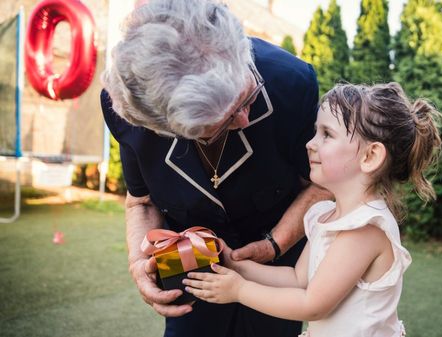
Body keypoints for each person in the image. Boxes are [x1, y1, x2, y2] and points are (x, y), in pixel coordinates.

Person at [100, 1, 331, 336]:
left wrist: (273, 245)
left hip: (277, 274)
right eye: (220, 123)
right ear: (164, 126)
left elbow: (320, 184)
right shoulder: (127, 109)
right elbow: (142, 201)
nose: (245, 119)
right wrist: (139, 264)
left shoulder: (291, 82)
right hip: (187, 269)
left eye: (247, 98)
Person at [183, 82, 442, 337]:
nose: (310, 143)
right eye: (315, 132)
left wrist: (240, 291)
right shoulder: (325, 215)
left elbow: (312, 304)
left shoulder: (364, 229)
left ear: (370, 157)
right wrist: (234, 264)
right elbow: (298, 279)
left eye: (327, 134)